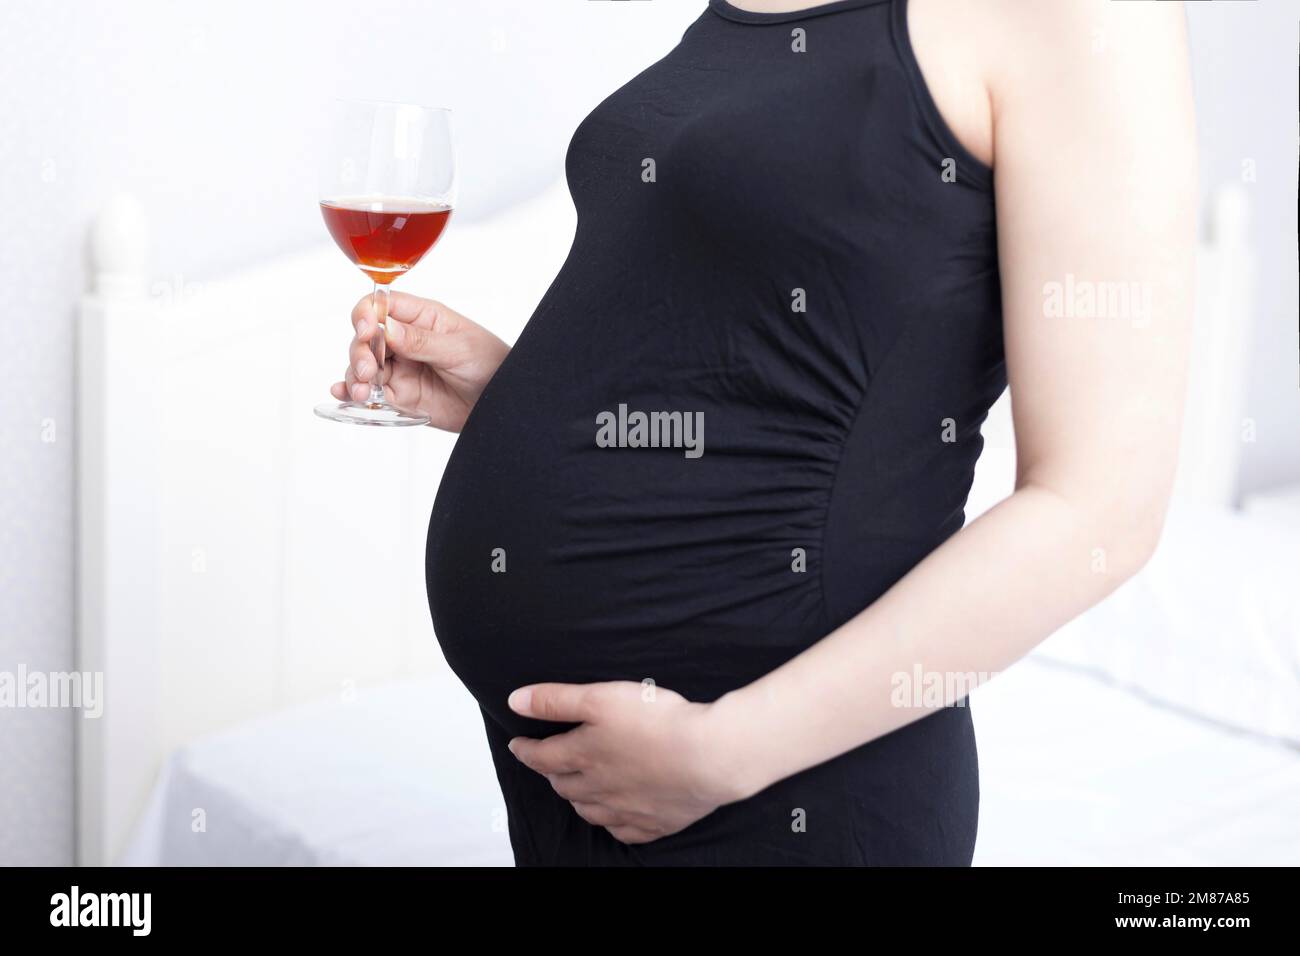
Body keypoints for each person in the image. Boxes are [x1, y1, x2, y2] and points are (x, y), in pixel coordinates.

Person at [330, 0, 1196, 865]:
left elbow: (1100, 509)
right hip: (575, 781)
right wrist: (519, 405)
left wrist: (721, 753)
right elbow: (753, 368)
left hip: (776, 790)